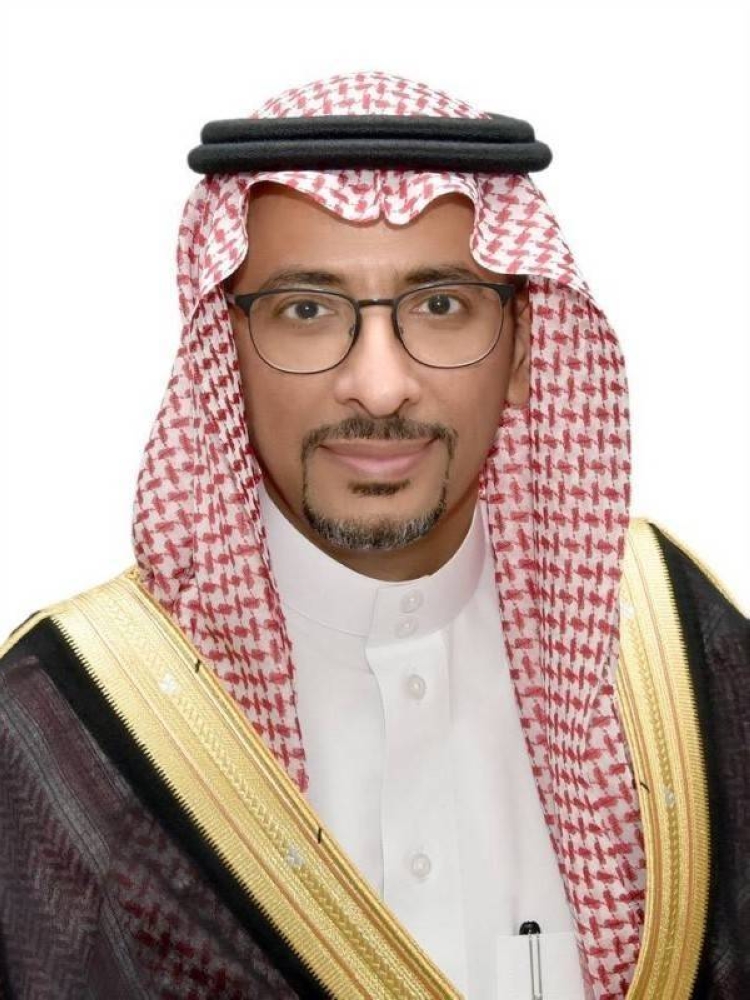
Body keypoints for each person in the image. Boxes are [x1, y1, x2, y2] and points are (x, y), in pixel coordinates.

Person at [0, 70, 747, 1000]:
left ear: (523, 349)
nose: (381, 386)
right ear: (227, 354)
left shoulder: (677, 653)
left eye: (441, 305)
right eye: (307, 312)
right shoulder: (64, 733)